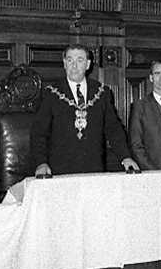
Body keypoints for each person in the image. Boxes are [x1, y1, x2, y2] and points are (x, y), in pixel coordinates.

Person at [31, 44, 138, 176]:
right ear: (64, 63)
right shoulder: (51, 94)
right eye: (70, 60)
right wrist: (41, 163)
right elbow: (38, 134)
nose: (74, 66)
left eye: (80, 60)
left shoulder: (102, 93)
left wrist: (125, 157)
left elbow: (113, 129)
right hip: (60, 172)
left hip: (93, 170)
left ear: (88, 64)